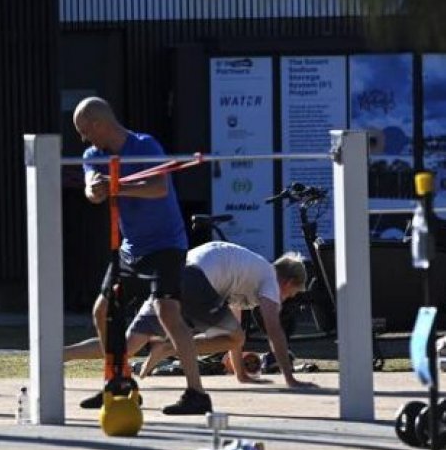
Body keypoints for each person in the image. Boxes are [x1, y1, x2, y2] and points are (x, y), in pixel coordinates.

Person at [74, 97, 210, 415]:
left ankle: (197, 393)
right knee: (101, 310)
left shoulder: (144, 145)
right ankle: (120, 380)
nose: (83, 138)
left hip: (165, 244)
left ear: (98, 124)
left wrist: (116, 186)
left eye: (84, 130)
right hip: (130, 248)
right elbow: (91, 189)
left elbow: (159, 187)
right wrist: (95, 189)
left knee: (167, 312)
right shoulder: (93, 155)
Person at [65, 243, 317, 406]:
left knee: (125, 348)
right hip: (196, 278)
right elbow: (274, 330)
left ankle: (60, 354)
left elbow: (233, 326)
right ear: (288, 282)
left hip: (172, 273)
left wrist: (240, 374)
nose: (287, 299)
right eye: (292, 294)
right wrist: (290, 379)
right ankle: (168, 347)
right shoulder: (268, 278)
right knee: (237, 336)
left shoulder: (247, 272)